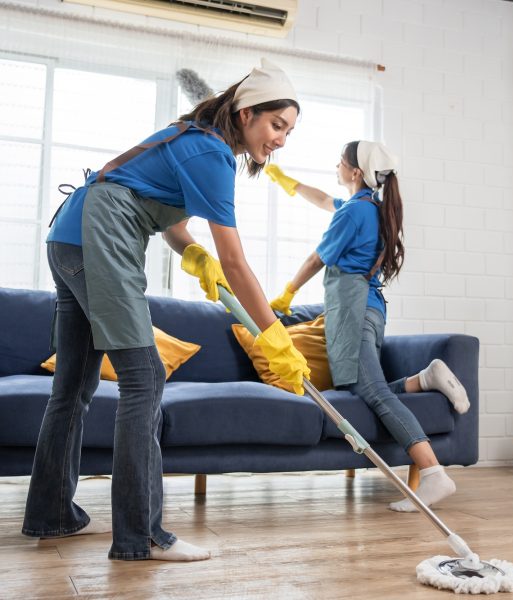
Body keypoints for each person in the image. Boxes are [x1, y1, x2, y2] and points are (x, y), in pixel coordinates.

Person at [21, 58, 310, 561]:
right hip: (99, 238)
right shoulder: (212, 152)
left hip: (70, 238)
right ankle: (142, 535)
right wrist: (275, 335)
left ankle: (52, 514)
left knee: (72, 386)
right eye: (276, 125)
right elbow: (237, 263)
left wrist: (190, 252)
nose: (281, 139)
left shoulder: (191, 137)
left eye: (288, 130)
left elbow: (157, 208)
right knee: (145, 377)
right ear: (246, 115)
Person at [264, 141, 470, 512]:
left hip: (354, 311)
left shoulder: (354, 213)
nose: (336, 166)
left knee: (373, 392)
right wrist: (287, 182)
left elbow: (316, 258)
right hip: (370, 310)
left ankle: (434, 473)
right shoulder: (368, 207)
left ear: (356, 172)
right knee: (364, 389)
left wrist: (286, 294)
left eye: (341, 162)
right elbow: (325, 200)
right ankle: (422, 380)